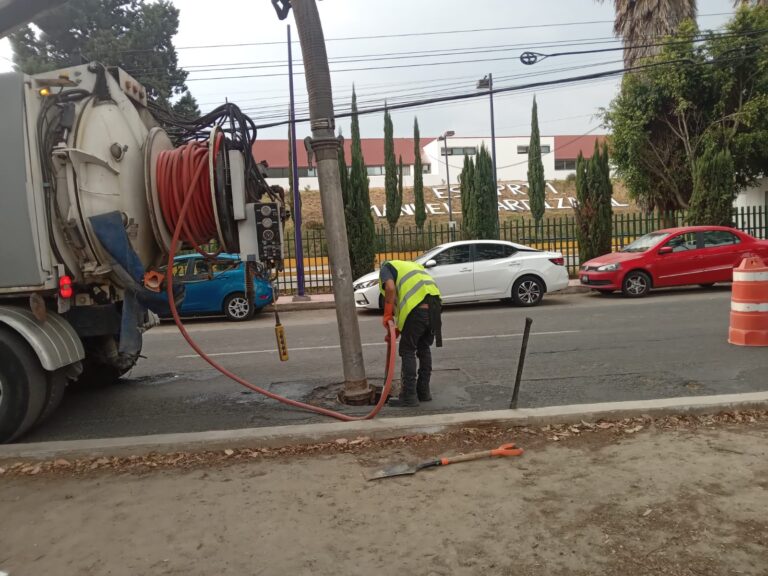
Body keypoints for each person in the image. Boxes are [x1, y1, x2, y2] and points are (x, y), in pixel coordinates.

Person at [379, 260, 442, 407]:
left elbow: (390, 288)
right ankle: (423, 392)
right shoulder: (411, 267)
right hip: (435, 307)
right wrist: (398, 328)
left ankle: (409, 396)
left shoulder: (386, 268)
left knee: (408, 350)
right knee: (424, 348)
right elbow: (404, 302)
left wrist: (387, 315)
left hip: (418, 308)